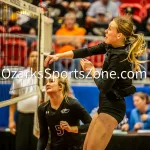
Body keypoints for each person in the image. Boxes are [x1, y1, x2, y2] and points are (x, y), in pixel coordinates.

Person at [44, 16, 146, 150]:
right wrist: (58, 56)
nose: (106, 31)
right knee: (86, 148)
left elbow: (104, 86)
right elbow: (86, 51)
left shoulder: (120, 57)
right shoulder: (110, 46)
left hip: (113, 108)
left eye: (110, 29)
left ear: (119, 35)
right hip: (104, 105)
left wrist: (92, 70)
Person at [37, 73, 92, 150]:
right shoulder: (42, 108)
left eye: (51, 81)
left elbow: (91, 124)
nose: (47, 84)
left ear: (60, 86)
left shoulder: (72, 104)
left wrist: (71, 129)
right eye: (46, 82)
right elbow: (43, 137)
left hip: (74, 147)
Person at [9, 50, 39, 150]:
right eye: (32, 56)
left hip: (39, 118)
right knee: (21, 146)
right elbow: (13, 99)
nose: (34, 59)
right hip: (23, 118)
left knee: (37, 146)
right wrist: (11, 120)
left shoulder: (46, 76)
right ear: (28, 59)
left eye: (37, 56)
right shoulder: (19, 76)